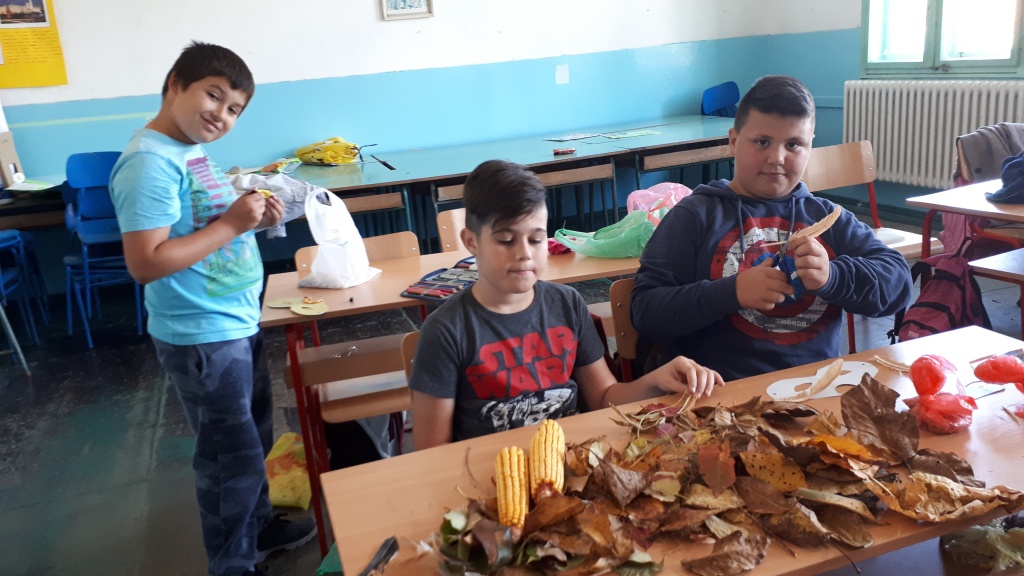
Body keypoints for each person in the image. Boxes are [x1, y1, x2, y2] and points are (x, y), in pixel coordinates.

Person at [108, 42, 313, 576]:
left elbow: (201, 225)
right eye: (213, 96)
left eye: (234, 109)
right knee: (228, 458)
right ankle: (232, 564)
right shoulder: (149, 163)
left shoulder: (187, 150)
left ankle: (257, 528)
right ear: (175, 84)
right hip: (201, 333)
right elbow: (146, 262)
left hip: (233, 321)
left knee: (251, 439)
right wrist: (232, 223)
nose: (221, 114)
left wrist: (249, 213)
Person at [409, 159, 723, 450]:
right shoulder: (446, 331)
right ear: (471, 241)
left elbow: (603, 397)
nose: (524, 254)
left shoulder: (566, 304)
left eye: (535, 239)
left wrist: (656, 380)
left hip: (569, 462)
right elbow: (431, 452)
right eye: (505, 240)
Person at [631, 75, 913, 381]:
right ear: (733, 141)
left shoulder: (828, 218)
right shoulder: (695, 215)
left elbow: (898, 286)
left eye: (793, 144)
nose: (777, 158)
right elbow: (646, 312)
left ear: (810, 146)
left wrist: (833, 276)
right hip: (720, 394)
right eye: (762, 142)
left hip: (813, 391)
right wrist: (731, 292)